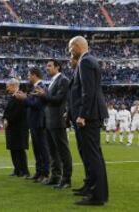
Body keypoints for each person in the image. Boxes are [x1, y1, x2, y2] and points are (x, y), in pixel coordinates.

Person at [67, 36, 109, 206]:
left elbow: (88, 91)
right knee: (93, 155)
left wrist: (83, 114)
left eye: (70, 48)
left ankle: (97, 196)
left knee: (93, 156)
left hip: (89, 116)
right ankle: (95, 190)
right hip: (92, 114)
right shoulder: (88, 60)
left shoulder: (85, 62)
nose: (70, 51)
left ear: (77, 46)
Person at [34, 59, 72, 189]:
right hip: (49, 121)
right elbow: (49, 101)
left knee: (63, 151)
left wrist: (44, 95)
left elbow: (58, 100)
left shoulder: (64, 80)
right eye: (46, 66)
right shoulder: (53, 81)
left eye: (49, 66)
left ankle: (66, 179)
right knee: (53, 152)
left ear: (57, 67)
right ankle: (55, 177)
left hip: (58, 121)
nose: (47, 68)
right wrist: (42, 95)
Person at [15, 68, 50, 183]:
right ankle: (39, 172)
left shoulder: (41, 87)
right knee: (37, 149)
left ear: (35, 75)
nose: (28, 77)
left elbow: (37, 105)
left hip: (39, 122)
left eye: (29, 75)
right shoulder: (35, 87)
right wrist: (25, 98)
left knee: (42, 149)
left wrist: (25, 99)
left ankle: (45, 174)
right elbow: (32, 103)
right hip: (34, 122)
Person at [3, 78, 30, 178]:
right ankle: (17, 170)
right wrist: (5, 118)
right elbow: (7, 111)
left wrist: (8, 120)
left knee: (20, 150)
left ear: (14, 86)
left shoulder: (20, 96)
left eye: (8, 86)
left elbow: (18, 113)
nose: (7, 88)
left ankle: (24, 171)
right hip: (11, 128)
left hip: (19, 128)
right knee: (13, 150)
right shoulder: (12, 97)